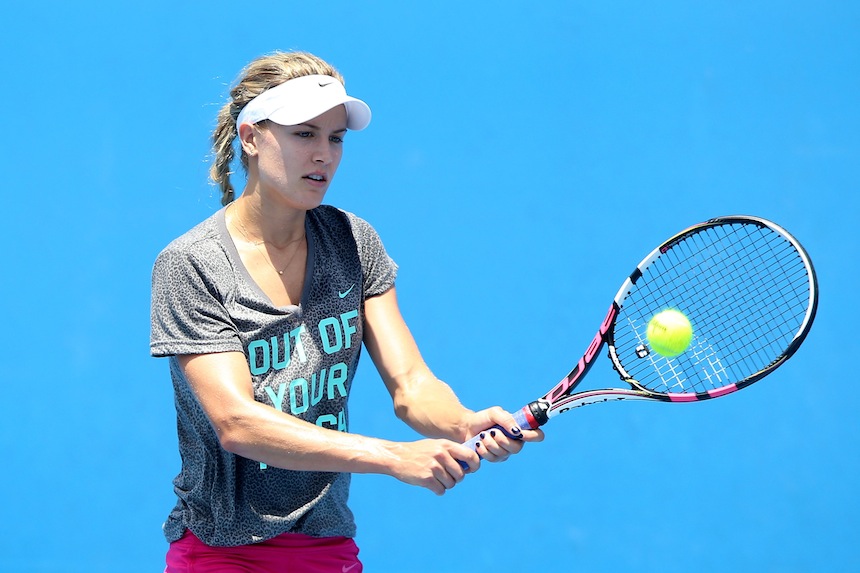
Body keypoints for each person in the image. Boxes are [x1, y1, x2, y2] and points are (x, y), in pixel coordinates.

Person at [150, 50, 543, 573]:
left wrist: (461, 422)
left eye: (336, 138)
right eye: (304, 134)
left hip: (325, 545)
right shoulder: (190, 264)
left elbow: (411, 385)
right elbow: (237, 423)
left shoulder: (354, 242)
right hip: (222, 553)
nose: (324, 155)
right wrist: (393, 456)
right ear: (250, 136)